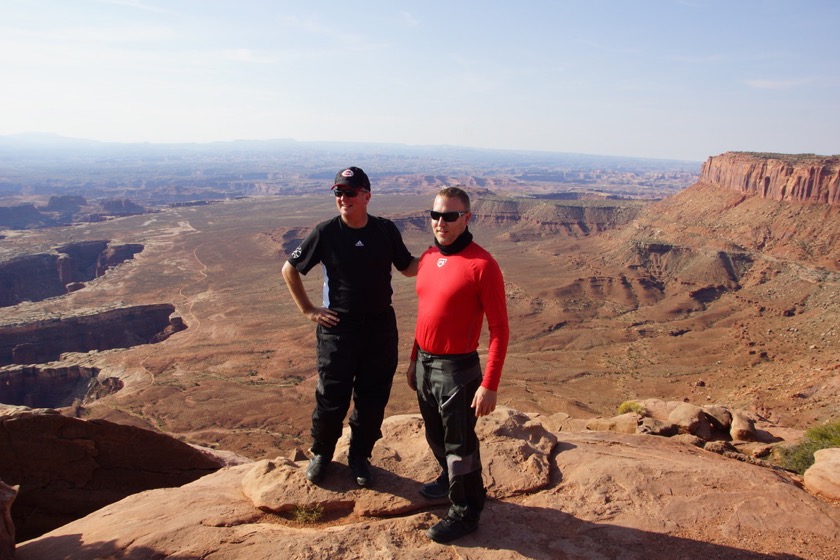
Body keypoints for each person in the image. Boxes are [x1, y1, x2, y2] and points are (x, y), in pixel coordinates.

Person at [282, 166, 417, 487]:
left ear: (367, 196)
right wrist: (308, 310)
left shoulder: (385, 230)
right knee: (332, 396)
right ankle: (322, 454)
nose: (343, 198)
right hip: (338, 329)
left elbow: (408, 267)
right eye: (338, 193)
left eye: (350, 193)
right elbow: (290, 269)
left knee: (373, 397)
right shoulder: (326, 232)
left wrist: (440, 255)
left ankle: (360, 456)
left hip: (380, 327)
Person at [405, 186, 509, 543]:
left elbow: (499, 329)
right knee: (436, 434)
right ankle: (447, 479)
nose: (441, 222)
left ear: (467, 218)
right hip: (426, 364)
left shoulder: (483, 265)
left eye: (450, 216)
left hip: (457, 369)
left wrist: (489, 384)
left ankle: (466, 511)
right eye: (435, 215)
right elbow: (426, 314)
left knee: (460, 445)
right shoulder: (430, 256)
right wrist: (413, 360)